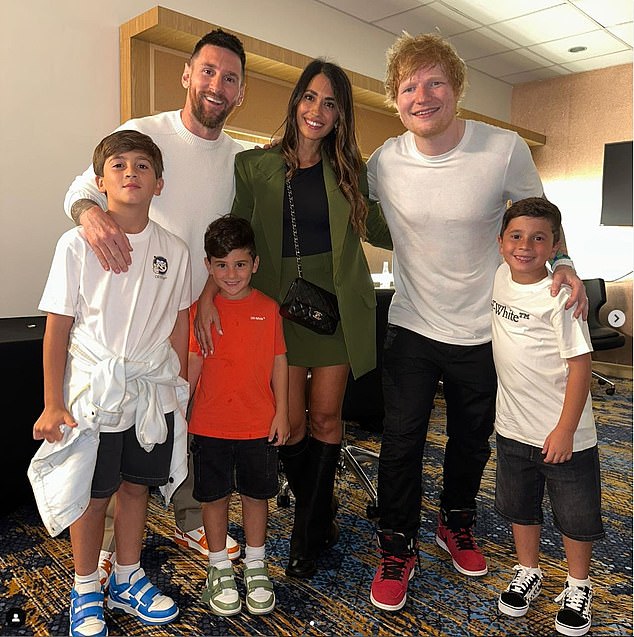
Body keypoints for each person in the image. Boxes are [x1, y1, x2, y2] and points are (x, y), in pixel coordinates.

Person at [366, 32, 589, 612]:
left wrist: (562, 262)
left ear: (456, 89)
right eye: (409, 86)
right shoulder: (385, 161)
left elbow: (542, 222)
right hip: (412, 323)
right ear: (396, 98)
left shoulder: (504, 149)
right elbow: (337, 195)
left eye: (435, 81)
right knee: (401, 442)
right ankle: (397, 545)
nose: (423, 95)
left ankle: (455, 522)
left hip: (486, 330)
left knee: (471, 441)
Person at [196, 58, 392, 579]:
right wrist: (212, 290)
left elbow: (383, 231)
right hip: (279, 312)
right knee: (290, 422)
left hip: (337, 311)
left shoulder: (351, 171)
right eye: (310, 98)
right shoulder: (255, 167)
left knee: (328, 418)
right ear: (296, 102)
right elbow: (235, 234)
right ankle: (318, 512)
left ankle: (309, 527)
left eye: (330, 103)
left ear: (340, 115)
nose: (317, 110)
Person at [63, 28, 247, 573]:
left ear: (240, 93)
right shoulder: (143, 133)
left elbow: (225, 237)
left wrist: (212, 291)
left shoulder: (239, 159)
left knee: (185, 419)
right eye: (208, 71)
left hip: (195, 308)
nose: (217, 84)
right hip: (133, 317)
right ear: (187, 75)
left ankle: (189, 518)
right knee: (122, 426)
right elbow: (81, 187)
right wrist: (88, 214)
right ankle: (106, 543)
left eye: (230, 77)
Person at [29, 130, 191, 636]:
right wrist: (53, 403)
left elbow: (180, 321)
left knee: (136, 487)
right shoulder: (76, 244)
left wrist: (180, 386)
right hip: (92, 392)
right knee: (91, 493)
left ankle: (126, 576)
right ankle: (84, 587)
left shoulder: (174, 250)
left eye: (142, 166)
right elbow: (57, 327)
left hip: (148, 389)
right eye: (118, 166)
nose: (130, 174)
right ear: (100, 182)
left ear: (159, 183)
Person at [492, 197, 602, 636]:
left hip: (565, 433)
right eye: (516, 236)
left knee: (575, 516)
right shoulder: (500, 275)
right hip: (513, 429)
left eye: (539, 238)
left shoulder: (561, 296)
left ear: (554, 245)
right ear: (500, 243)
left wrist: (565, 430)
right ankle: (528, 570)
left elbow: (581, 366)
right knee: (522, 508)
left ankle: (579, 584)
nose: (525, 246)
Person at [188, 215, 289, 616]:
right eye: (222, 265)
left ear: (255, 264)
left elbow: (279, 361)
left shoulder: (269, 309)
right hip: (210, 424)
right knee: (213, 497)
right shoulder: (200, 312)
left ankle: (257, 564)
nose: (232, 274)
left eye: (240, 264)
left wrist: (282, 411)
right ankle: (219, 567)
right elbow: (193, 364)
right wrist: (181, 412)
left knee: (256, 494)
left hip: (258, 424)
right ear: (209, 267)